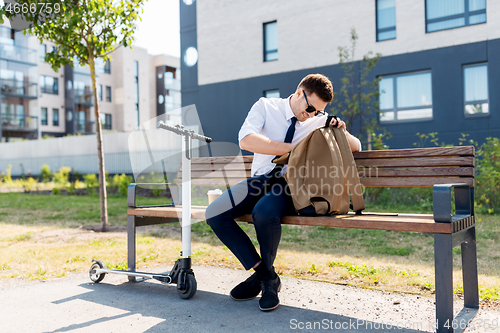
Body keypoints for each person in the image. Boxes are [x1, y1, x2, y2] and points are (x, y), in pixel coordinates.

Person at [205, 74, 361, 311]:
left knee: (264, 213)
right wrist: (295, 150)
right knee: (215, 213)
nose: (311, 115)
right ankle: (266, 275)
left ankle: (264, 282)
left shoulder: (320, 119)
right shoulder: (266, 106)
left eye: (317, 112)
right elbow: (246, 140)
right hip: (260, 179)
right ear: (299, 93)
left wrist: (341, 130)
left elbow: (356, 146)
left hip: (291, 185)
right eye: (310, 108)